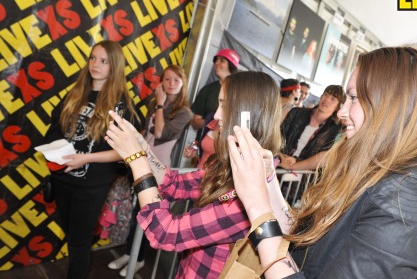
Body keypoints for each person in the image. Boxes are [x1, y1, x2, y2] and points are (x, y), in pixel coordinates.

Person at [228, 47, 417, 278]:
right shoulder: (374, 173)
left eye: (352, 98)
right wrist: (268, 180)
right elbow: (302, 240)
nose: (342, 112)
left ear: (392, 104)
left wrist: (257, 207)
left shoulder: (406, 198)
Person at [104, 71, 283, 278]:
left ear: (247, 114)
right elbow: (174, 184)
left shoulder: (251, 193)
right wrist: (142, 145)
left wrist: (136, 158)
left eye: (224, 105)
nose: (215, 115)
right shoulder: (230, 166)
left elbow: (166, 232)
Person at [44, 40, 140, 279]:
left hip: (91, 186)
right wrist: (57, 149)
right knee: (72, 235)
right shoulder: (76, 92)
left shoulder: (120, 105)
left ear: (114, 66)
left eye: (104, 61)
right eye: (93, 58)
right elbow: (55, 128)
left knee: (78, 243)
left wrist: (85, 158)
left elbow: (125, 151)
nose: (96, 65)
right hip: (62, 179)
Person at [108, 65, 193, 277]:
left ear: (183, 84)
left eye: (176, 80)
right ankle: (130, 254)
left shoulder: (184, 112)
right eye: (167, 79)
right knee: (134, 213)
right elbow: (148, 133)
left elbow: (162, 133)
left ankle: (138, 258)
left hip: (160, 171)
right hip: (139, 161)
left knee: (148, 215)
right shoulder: (154, 103)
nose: (171, 83)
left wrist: (161, 106)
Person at [278, 85, 345, 172]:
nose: (327, 99)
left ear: (338, 106)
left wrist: (295, 162)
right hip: (278, 164)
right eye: (326, 94)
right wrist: (280, 156)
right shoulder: (296, 113)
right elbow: (279, 135)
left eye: (333, 99)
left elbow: (322, 158)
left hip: (301, 177)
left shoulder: (334, 131)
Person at [190, 48, 240, 132]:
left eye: (222, 60)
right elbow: (195, 122)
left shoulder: (241, 92)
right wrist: (213, 123)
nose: (216, 63)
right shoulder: (207, 89)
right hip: (203, 143)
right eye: (216, 60)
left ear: (231, 65)